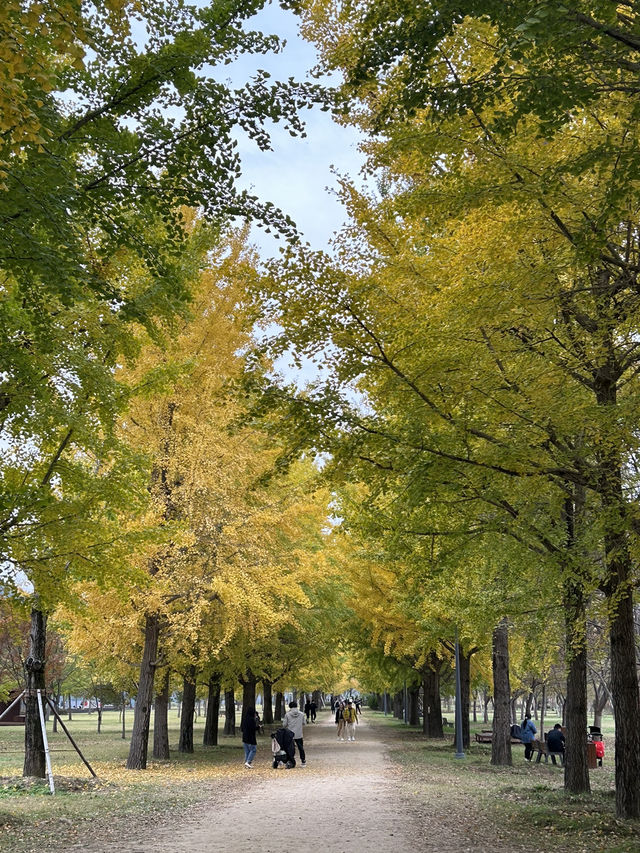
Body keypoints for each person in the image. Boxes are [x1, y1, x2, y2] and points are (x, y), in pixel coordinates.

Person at [283, 700, 306, 767]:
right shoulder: (301, 714)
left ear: (290, 707)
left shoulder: (287, 715)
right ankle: (303, 761)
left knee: (290, 748)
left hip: (290, 734)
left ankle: (290, 760)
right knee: (300, 748)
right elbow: (304, 723)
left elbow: (284, 725)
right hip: (299, 734)